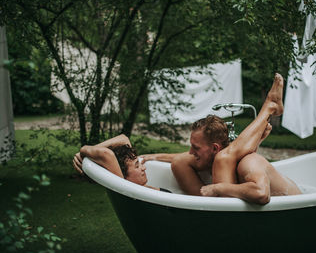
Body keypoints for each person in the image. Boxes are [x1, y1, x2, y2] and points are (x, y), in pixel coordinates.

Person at [141, 73, 302, 204]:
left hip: (298, 212)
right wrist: (154, 157)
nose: (190, 152)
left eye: (196, 147)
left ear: (216, 148)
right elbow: (181, 158)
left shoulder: (249, 162)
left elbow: (261, 194)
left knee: (223, 159)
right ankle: (269, 107)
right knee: (181, 163)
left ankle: (270, 106)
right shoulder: (223, 159)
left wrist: (220, 188)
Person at [73, 134, 172, 193]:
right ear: (122, 174)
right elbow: (105, 154)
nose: (144, 168)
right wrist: (83, 149)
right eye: (137, 166)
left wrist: (82, 152)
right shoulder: (123, 186)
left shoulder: (135, 188)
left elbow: (123, 139)